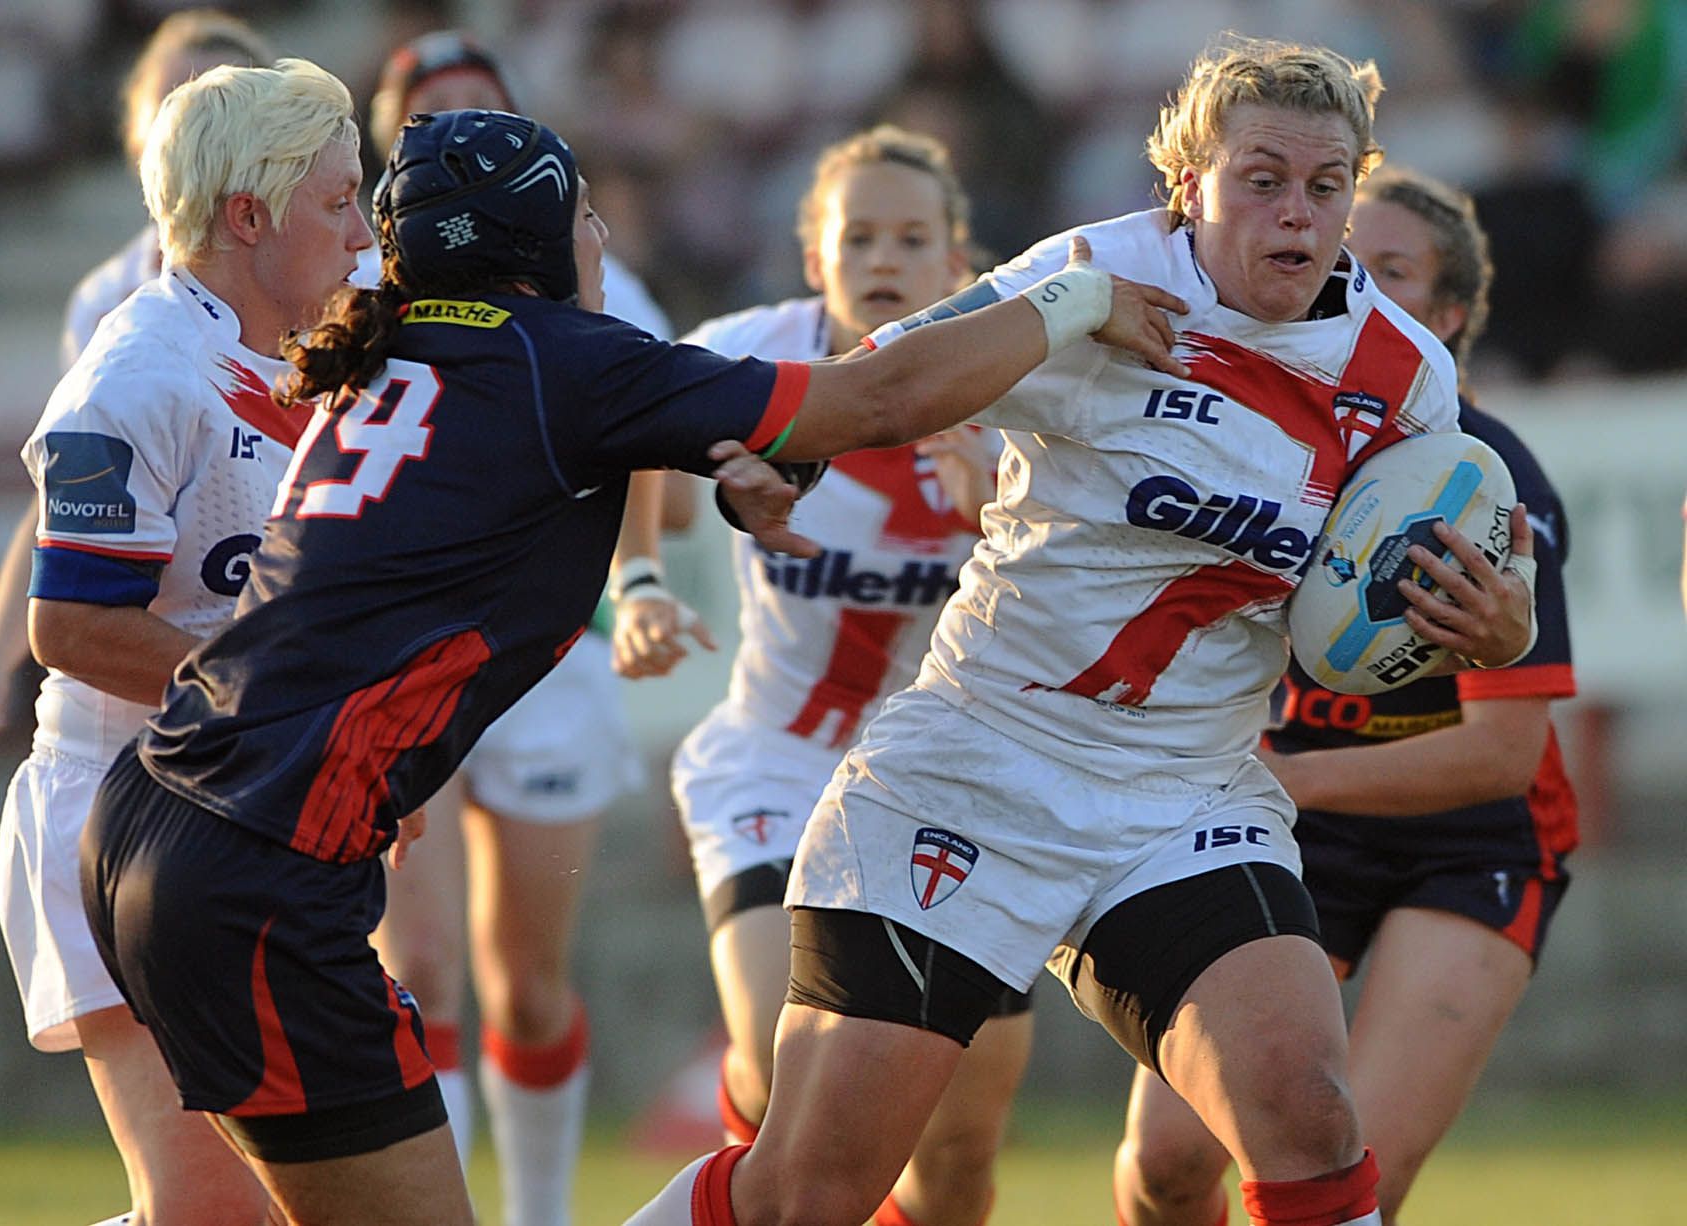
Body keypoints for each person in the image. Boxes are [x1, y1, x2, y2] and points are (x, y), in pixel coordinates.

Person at [77, 105, 1184, 1226]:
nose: (603, 236)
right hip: (264, 867)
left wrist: (742, 456)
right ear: (538, 239)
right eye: (586, 213)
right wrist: (1071, 299)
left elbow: (587, 439)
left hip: (161, 819)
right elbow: (874, 399)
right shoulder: (565, 360)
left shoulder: (401, 337)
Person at [630, 35, 1542, 1226]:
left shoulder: (1401, 373)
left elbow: (1450, 590)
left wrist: (1500, 625)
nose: (1299, 215)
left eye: (1328, 187)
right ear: (1190, 184)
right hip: (978, 759)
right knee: (811, 1190)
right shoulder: (1100, 274)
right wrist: (1064, 313)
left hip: (1183, 788)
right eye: (1260, 179)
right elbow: (888, 381)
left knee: (1307, 1113)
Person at [1110, 166, 1578, 1226]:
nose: (1353, 280)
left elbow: (1503, 758)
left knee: (1344, 1165)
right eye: (1348, 259)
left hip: (1471, 839)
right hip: (1292, 818)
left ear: (1451, 318)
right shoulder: (1250, 432)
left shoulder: (1494, 479)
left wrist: (1288, 775)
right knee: (1166, 1161)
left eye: (1394, 271)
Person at [613, 124, 1027, 1226]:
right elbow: (630, 451)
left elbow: (1083, 601)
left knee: (957, 1152)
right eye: (858, 237)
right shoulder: (756, 357)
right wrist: (642, 585)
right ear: (816, 259)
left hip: (950, 783)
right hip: (777, 760)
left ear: (957, 263)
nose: (881, 259)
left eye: (911, 237)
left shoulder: (1007, 388)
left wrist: (1003, 511)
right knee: (775, 1061)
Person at [1, 56, 371, 1225]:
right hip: (120, 812)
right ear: (248, 216)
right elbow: (68, 624)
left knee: (288, 1203)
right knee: (213, 1211)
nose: (363, 234)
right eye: (338, 200)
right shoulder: (137, 378)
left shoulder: (308, 354)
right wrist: (285, 710)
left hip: (243, 804)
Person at [360, 30, 684, 1225]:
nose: (447, 117)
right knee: (423, 968)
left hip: (550, 662)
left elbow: (663, 431)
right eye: (423, 107)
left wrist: (639, 578)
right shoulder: (366, 281)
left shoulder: (593, 271)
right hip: (409, 663)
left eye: (472, 104)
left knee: (529, 985)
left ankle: (538, 1212)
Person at [0, 8, 274, 756]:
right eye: (171, 105)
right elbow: (71, 498)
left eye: (217, 100)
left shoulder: (323, 273)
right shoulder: (110, 299)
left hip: (277, 652)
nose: (193, 124)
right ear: (136, 137)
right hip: (155, 681)